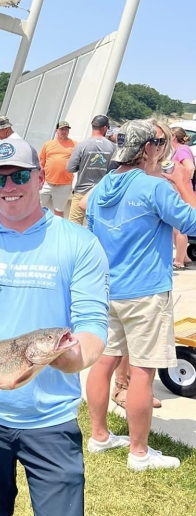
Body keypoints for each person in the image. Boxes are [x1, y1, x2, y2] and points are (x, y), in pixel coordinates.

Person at [0, 138, 109, 515]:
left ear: (39, 178)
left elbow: (93, 324)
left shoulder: (78, 243)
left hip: (51, 418)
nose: (8, 188)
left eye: (18, 176)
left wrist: (68, 358)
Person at [86, 119, 196, 471]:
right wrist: (183, 184)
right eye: (158, 143)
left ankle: (99, 435)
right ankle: (139, 452)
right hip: (146, 292)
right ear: (148, 148)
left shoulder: (101, 188)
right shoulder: (154, 188)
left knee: (103, 363)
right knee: (143, 371)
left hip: (108, 290)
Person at [66, 115, 115, 226]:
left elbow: (70, 168)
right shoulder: (112, 147)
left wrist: (82, 166)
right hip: (101, 193)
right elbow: (114, 170)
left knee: (74, 225)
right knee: (96, 225)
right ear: (105, 128)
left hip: (81, 192)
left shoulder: (82, 145)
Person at [39, 120, 77, 217]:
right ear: (57, 130)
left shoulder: (75, 144)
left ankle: (59, 230)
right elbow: (41, 162)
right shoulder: (48, 144)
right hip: (46, 182)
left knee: (59, 211)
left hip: (64, 184)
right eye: (62, 129)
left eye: (66, 130)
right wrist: (40, 179)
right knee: (38, 208)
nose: (64, 132)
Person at [170, 126, 195, 270]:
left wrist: (182, 182)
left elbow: (190, 167)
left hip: (181, 193)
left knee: (179, 228)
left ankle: (179, 261)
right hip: (178, 191)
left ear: (173, 137)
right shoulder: (179, 150)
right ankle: (184, 257)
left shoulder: (182, 150)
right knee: (175, 227)